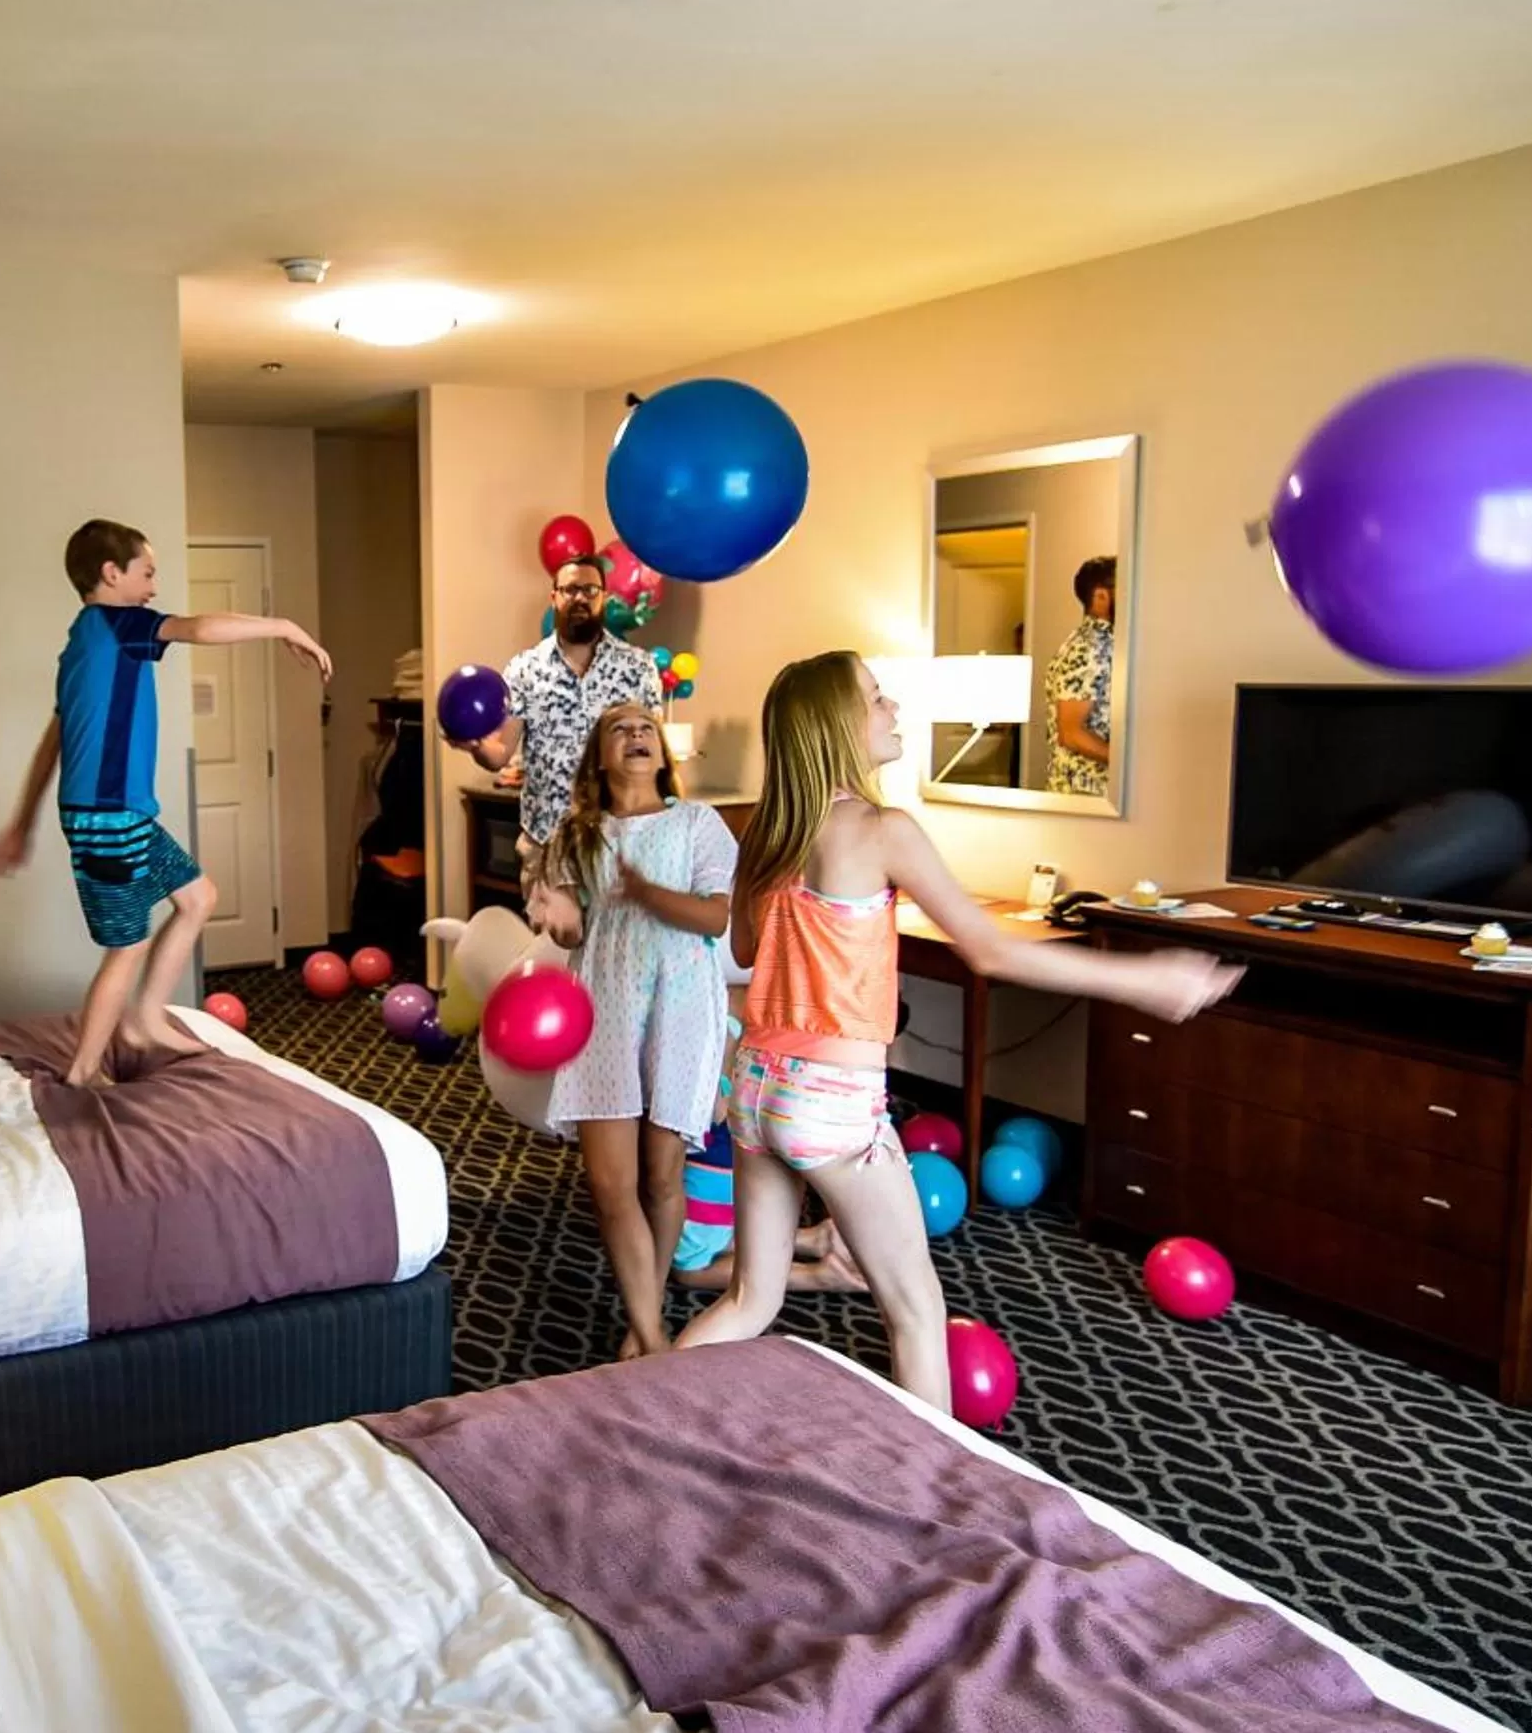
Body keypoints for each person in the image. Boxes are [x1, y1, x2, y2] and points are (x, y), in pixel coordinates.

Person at [675, 651, 1240, 1408]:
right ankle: (944, 1484)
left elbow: (746, 951)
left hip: (755, 1086)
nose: (893, 708)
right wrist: (1146, 981)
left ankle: (627, 1415)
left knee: (751, 1299)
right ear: (837, 724)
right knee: (915, 1311)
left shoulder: (768, 837)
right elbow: (991, 951)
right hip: (831, 1101)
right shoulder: (882, 829)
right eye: (877, 697)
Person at [0, 519, 332, 1087]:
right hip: (108, 817)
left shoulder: (82, 643)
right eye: (146, 573)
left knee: (198, 897)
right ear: (111, 573)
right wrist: (284, 626)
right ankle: (83, 1072)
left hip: (118, 813)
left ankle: (146, 1019)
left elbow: (54, 741)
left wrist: (23, 823)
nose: (153, 586)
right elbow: (199, 627)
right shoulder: (118, 625)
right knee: (129, 945)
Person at [535, 704, 740, 1360]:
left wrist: (644, 890)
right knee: (608, 1182)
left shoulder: (697, 823)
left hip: (681, 1009)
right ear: (599, 757)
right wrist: (554, 914)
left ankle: (642, 1322)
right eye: (619, 729)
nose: (635, 734)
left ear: (662, 751)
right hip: (604, 1008)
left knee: (661, 1176)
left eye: (645, 727)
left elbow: (713, 918)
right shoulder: (578, 834)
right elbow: (576, 931)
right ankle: (651, 1333)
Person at [449, 554, 665, 943]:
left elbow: (652, 757)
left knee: (618, 961)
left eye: (589, 589)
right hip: (546, 846)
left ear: (604, 597)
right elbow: (500, 753)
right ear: (554, 597)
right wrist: (476, 745)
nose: (579, 597)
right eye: (570, 589)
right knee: (551, 961)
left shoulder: (638, 668)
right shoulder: (524, 670)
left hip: (618, 846)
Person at [671, 1120, 868, 1295]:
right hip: (762, 1153)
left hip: (712, 1168)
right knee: (709, 1231)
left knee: (689, 1269)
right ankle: (813, 1240)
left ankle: (815, 1276)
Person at [1044, 555, 1116, 797]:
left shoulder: (1104, 643)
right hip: (1083, 794)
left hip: (1092, 794)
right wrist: (1130, 764)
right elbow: (1071, 734)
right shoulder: (1089, 648)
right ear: (1101, 596)